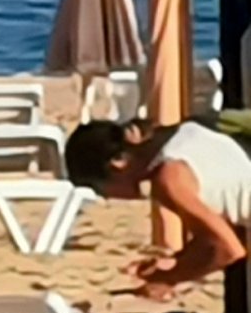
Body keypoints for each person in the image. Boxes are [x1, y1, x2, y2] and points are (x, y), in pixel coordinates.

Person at [65, 118, 251, 294]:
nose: (106, 198)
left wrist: (167, 280)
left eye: (99, 189)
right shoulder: (181, 134)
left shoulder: (169, 180)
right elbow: (214, 233)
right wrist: (177, 261)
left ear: (116, 164)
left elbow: (227, 248)